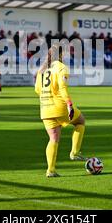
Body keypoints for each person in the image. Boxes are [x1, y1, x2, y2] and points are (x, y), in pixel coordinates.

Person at [34, 43, 87, 178]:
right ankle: (74, 152)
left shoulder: (42, 70)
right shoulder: (62, 68)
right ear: (62, 54)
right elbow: (63, 88)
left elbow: (37, 90)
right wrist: (69, 104)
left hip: (45, 109)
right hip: (60, 106)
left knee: (53, 138)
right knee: (80, 121)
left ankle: (50, 170)